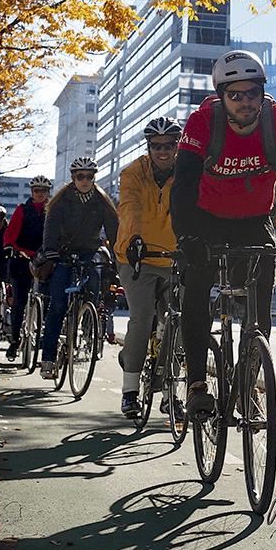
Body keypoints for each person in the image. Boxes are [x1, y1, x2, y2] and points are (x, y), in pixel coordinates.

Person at [172, 49, 276, 419]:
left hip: (254, 219)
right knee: (198, 287)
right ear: (221, 96)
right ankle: (198, 385)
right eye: (235, 95)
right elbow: (183, 186)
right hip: (206, 218)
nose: (246, 102)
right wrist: (187, 238)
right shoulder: (202, 123)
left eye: (253, 93)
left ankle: (247, 382)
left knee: (258, 304)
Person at [115, 117, 183, 419]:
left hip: (174, 258)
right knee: (141, 321)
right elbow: (129, 208)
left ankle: (171, 395)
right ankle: (130, 392)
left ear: (177, 145)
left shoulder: (188, 171)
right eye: (157, 146)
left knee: (178, 323)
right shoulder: (133, 172)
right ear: (148, 146)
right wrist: (133, 239)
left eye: (169, 145)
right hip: (137, 257)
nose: (163, 151)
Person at [36, 156, 119, 380]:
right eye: (80, 176)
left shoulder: (101, 201)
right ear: (73, 178)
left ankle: (87, 317)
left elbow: (113, 229)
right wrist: (50, 249)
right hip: (62, 253)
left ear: (94, 178)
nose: (84, 180)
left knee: (93, 287)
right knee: (58, 305)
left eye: (89, 176)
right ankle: (49, 359)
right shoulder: (61, 200)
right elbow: (51, 226)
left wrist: (119, 253)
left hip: (89, 251)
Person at [2, 175, 52, 361]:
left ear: (48, 193)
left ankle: (45, 339)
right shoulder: (22, 210)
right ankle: (14, 341)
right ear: (32, 192)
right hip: (21, 259)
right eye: (37, 190)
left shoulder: (51, 210)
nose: (40, 194)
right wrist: (9, 246)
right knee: (19, 301)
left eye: (44, 190)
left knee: (48, 298)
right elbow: (10, 232)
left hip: (44, 260)